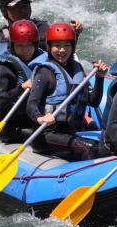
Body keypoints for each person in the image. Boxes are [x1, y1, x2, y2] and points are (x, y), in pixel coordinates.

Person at [0, 0, 83, 112]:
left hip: (45, 85)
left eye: (25, 5)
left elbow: (62, 55)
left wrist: (74, 35)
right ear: (5, 11)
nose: (22, 10)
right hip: (15, 91)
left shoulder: (42, 29)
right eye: (16, 7)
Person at [26, 22, 107, 160]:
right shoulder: (45, 73)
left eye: (66, 45)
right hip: (46, 135)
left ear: (73, 47)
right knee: (86, 149)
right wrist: (41, 117)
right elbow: (31, 105)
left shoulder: (77, 70)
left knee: (105, 148)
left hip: (71, 131)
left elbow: (93, 102)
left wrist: (100, 78)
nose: (62, 50)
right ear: (49, 47)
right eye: (57, 45)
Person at [0, 20, 49, 144]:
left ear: (35, 44)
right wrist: (21, 87)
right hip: (14, 127)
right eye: (19, 46)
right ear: (12, 46)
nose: (25, 50)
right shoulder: (4, 68)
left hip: (37, 118)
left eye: (29, 45)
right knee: (47, 136)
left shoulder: (44, 60)